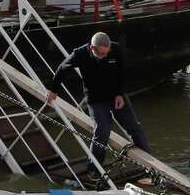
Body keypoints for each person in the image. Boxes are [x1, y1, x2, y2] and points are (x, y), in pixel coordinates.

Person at [45, 32, 150, 171]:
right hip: (96, 99)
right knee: (102, 131)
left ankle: (150, 167)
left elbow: (123, 72)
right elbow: (62, 68)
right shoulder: (80, 54)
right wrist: (53, 90)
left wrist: (120, 94)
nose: (104, 56)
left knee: (134, 126)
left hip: (116, 95)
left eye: (106, 53)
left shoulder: (116, 49)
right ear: (92, 48)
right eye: (101, 54)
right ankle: (95, 169)